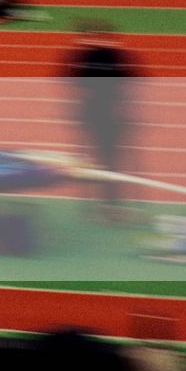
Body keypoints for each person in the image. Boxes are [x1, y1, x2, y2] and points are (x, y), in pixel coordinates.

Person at [62, 21, 140, 223]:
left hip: (99, 116)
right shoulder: (111, 56)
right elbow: (131, 82)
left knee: (99, 161)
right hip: (104, 116)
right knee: (103, 161)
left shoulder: (88, 57)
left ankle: (102, 205)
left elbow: (71, 82)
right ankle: (104, 205)